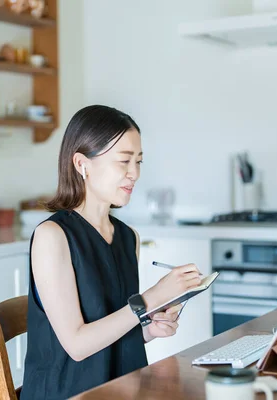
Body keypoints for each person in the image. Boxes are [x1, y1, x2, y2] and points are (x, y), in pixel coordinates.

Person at [21, 105, 202, 399]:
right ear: (82, 164)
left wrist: (149, 330)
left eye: (139, 161)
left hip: (120, 389)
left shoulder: (127, 238)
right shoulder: (52, 237)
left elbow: (114, 331)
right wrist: (150, 298)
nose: (135, 173)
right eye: (124, 161)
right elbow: (78, 345)